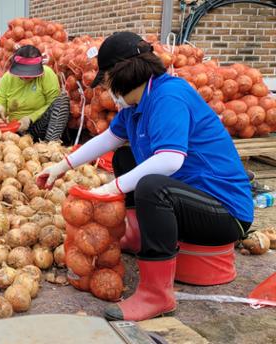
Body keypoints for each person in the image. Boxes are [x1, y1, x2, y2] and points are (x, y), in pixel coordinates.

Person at [37, 32, 253, 321]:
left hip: (226, 214)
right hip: (190, 202)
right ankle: (138, 235)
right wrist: (61, 166)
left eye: (108, 80)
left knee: (152, 185)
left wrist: (111, 188)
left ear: (122, 74)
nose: (107, 90)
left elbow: (169, 160)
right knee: (126, 157)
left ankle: (156, 295)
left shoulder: (169, 96)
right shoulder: (137, 104)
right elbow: (107, 140)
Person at [0, 45, 70, 142]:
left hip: (38, 128)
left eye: (30, 72)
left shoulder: (47, 74)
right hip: (14, 130)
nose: (26, 76)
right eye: (22, 72)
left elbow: (52, 104)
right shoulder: (7, 78)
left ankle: (50, 144)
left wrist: (30, 118)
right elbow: (0, 99)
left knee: (62, 100)